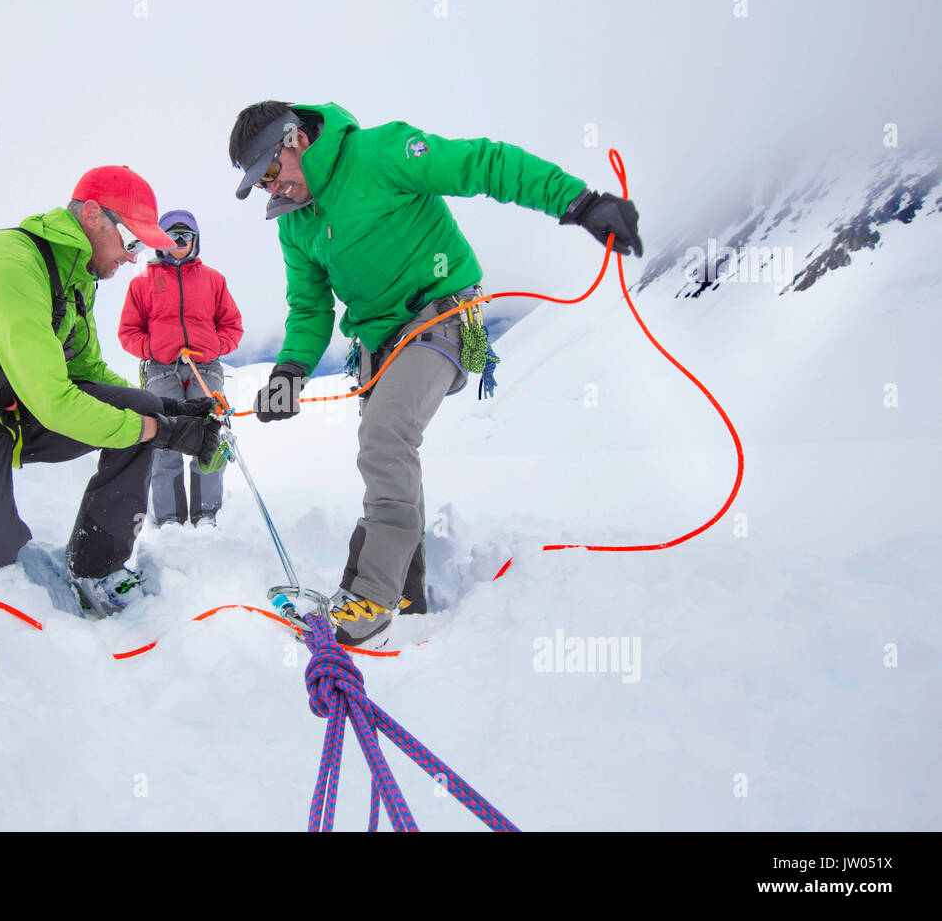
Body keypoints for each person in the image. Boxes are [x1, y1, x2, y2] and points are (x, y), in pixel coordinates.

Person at [229, 101, 642, 648]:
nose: (271, 190)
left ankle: (373, 597)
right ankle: (406, 594)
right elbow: (309, 309)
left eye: (270, 174)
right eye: (258, 185)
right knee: (388, 457)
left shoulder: (381, 153)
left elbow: (483, 164)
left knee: (385, 440)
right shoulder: (295, 226)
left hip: (442, 314)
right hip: (377, 343)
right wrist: (290, 372)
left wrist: (580, 201)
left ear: (294, 141)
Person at [0, 165, 221, 615]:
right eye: (131, 242)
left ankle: (95, 565)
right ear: (92, 216)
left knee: (139, 408)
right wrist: (161, 431)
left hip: (10, 411)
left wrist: (171, 409)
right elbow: (55, 401)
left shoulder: (77, 279)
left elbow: (91, 372)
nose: (132, 258)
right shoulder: (11, 265)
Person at [118, 209, 244, 527]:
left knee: (212, 435)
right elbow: (128, 333)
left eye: (185, 237)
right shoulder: (143, 282)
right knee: (163, 438)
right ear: (159, 240)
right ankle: (170, 518)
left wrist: (214, 347)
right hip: (162, 370)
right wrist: (154, 349)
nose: (179, 243)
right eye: (171, 237)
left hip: (205, 368)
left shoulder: (213, 280)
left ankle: (206, 514)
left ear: (195, 240)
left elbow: (232, 327)